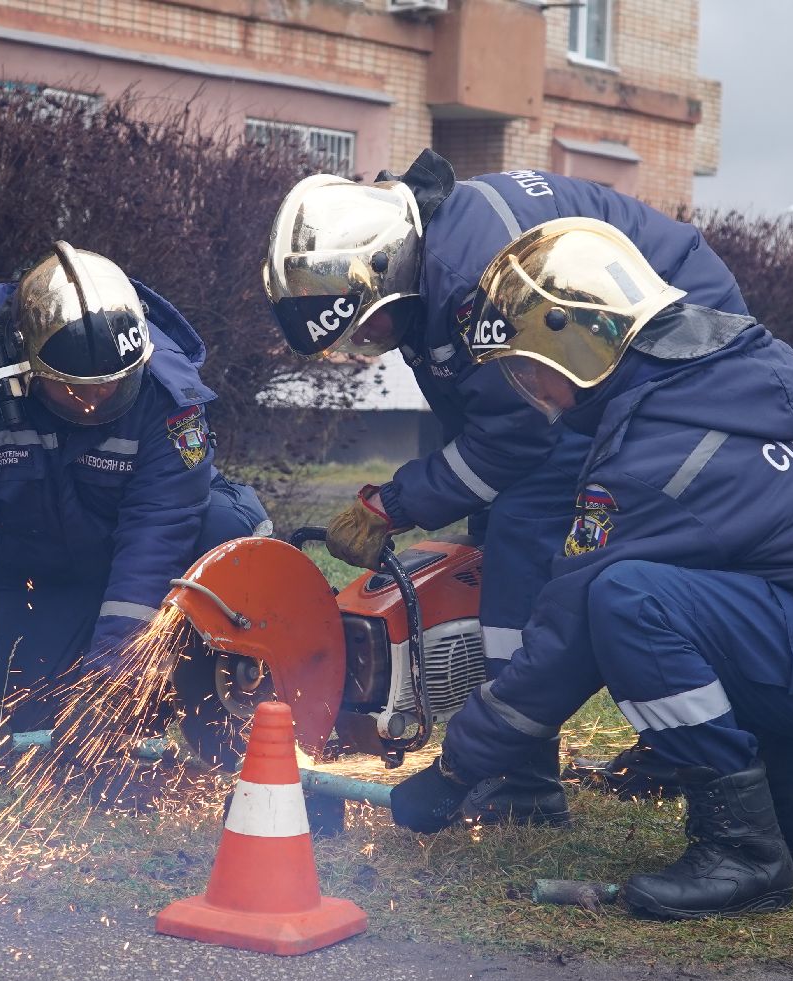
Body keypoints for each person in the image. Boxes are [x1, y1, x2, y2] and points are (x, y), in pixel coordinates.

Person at [388, 218, 793, 920]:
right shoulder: (727, 371)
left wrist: (457, 768)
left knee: (628, 602)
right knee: (683, 608)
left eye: (527, 366)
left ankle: (744, 852)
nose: (527, 387)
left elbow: (569, 628)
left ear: (576, 343)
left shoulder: (664, 453)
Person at [262, 149, 748, 824]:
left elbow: (520, 438)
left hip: (673, 334)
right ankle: (657, 745)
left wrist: (398, 502)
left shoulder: (470, 282)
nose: (368, 342)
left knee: (527, 536)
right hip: (618, 338)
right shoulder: (427, 259)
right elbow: (476, 408)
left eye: (366, 326)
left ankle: (522, 776)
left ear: (384, 267)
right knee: (523, 538)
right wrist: (426, 496)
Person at [0, 243, 270, 780]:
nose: (97, 401)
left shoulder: (169, 397)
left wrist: (112, 682)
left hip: (137, 579)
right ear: (24, 366)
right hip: (39, 578)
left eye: (113, 385)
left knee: (222, 528)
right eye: (77, 390)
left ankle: (206, 695)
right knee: (22, 716)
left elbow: (156, 540)